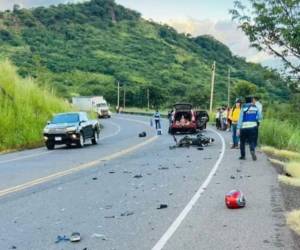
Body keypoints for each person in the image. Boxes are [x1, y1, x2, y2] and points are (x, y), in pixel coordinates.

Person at [237, 96, 262, 161]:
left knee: (242, 142)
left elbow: (240, 118)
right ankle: (252, 150)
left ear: (246, 101)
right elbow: (259, 117)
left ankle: (243, 156)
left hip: (244, 127)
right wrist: (256, 121)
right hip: (253, 127)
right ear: (251, 101)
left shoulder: (244, 107)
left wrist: (238, 128)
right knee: (252, 141)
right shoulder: (255, 107)